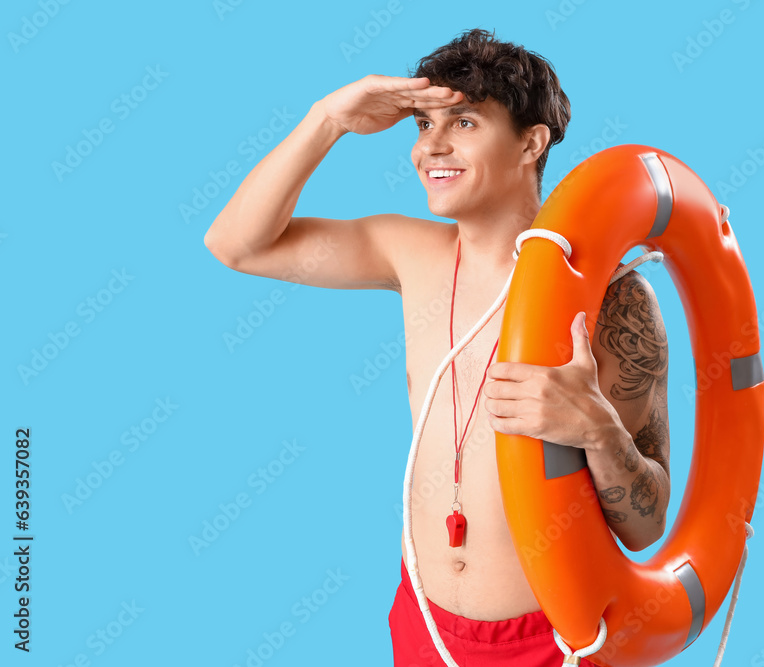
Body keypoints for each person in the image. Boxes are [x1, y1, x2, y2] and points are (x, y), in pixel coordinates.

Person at [204, 27, 671, 667]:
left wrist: (600, 433)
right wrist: (327, 121)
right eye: (423, 124)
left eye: (466, 122)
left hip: (557, 639)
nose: (432, 147)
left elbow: (646, 526)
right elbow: (237, 244)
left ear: (531, 143)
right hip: (423, 623)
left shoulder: (613, 296)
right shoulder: (412, 253)